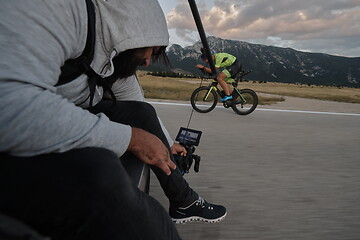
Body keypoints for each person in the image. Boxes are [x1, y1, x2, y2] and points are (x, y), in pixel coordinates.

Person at [0, 1, 226, 240]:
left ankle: (184, 201)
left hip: (74, 107)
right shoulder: (59, 9)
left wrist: (167, 143)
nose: (149, 61)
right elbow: (9, 105)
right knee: (99, 171)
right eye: (154, 50)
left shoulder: (113, 57)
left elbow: (139, 107)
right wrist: (129, 138)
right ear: (132, 29)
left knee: (142, 114)